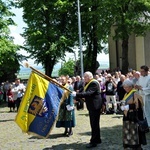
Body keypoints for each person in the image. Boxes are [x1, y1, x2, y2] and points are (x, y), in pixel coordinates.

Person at [72, 71, 102, 148]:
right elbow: (83, 92)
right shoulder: (88, 83)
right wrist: (77, 95)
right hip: (92, 106)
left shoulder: (93, 83)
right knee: (94, 124)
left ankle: (93, 141)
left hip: (95, 106)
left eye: (85, 77)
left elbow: (88, 93)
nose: (84, 78)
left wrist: (77, 94)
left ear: (90, 77)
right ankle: (97, 139)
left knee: (94, 124)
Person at [121, 79, 147, 150]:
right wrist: (122, 106)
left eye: (126, 87)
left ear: (130, 87)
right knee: (127, 131)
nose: (125, 88)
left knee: (134, 132)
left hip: (134, 116)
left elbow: (138, 105)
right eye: (124, 87)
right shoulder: (126, 94)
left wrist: (128, 106)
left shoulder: (135, 94)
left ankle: (136, 146)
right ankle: (128, 144)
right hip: (127, 116)